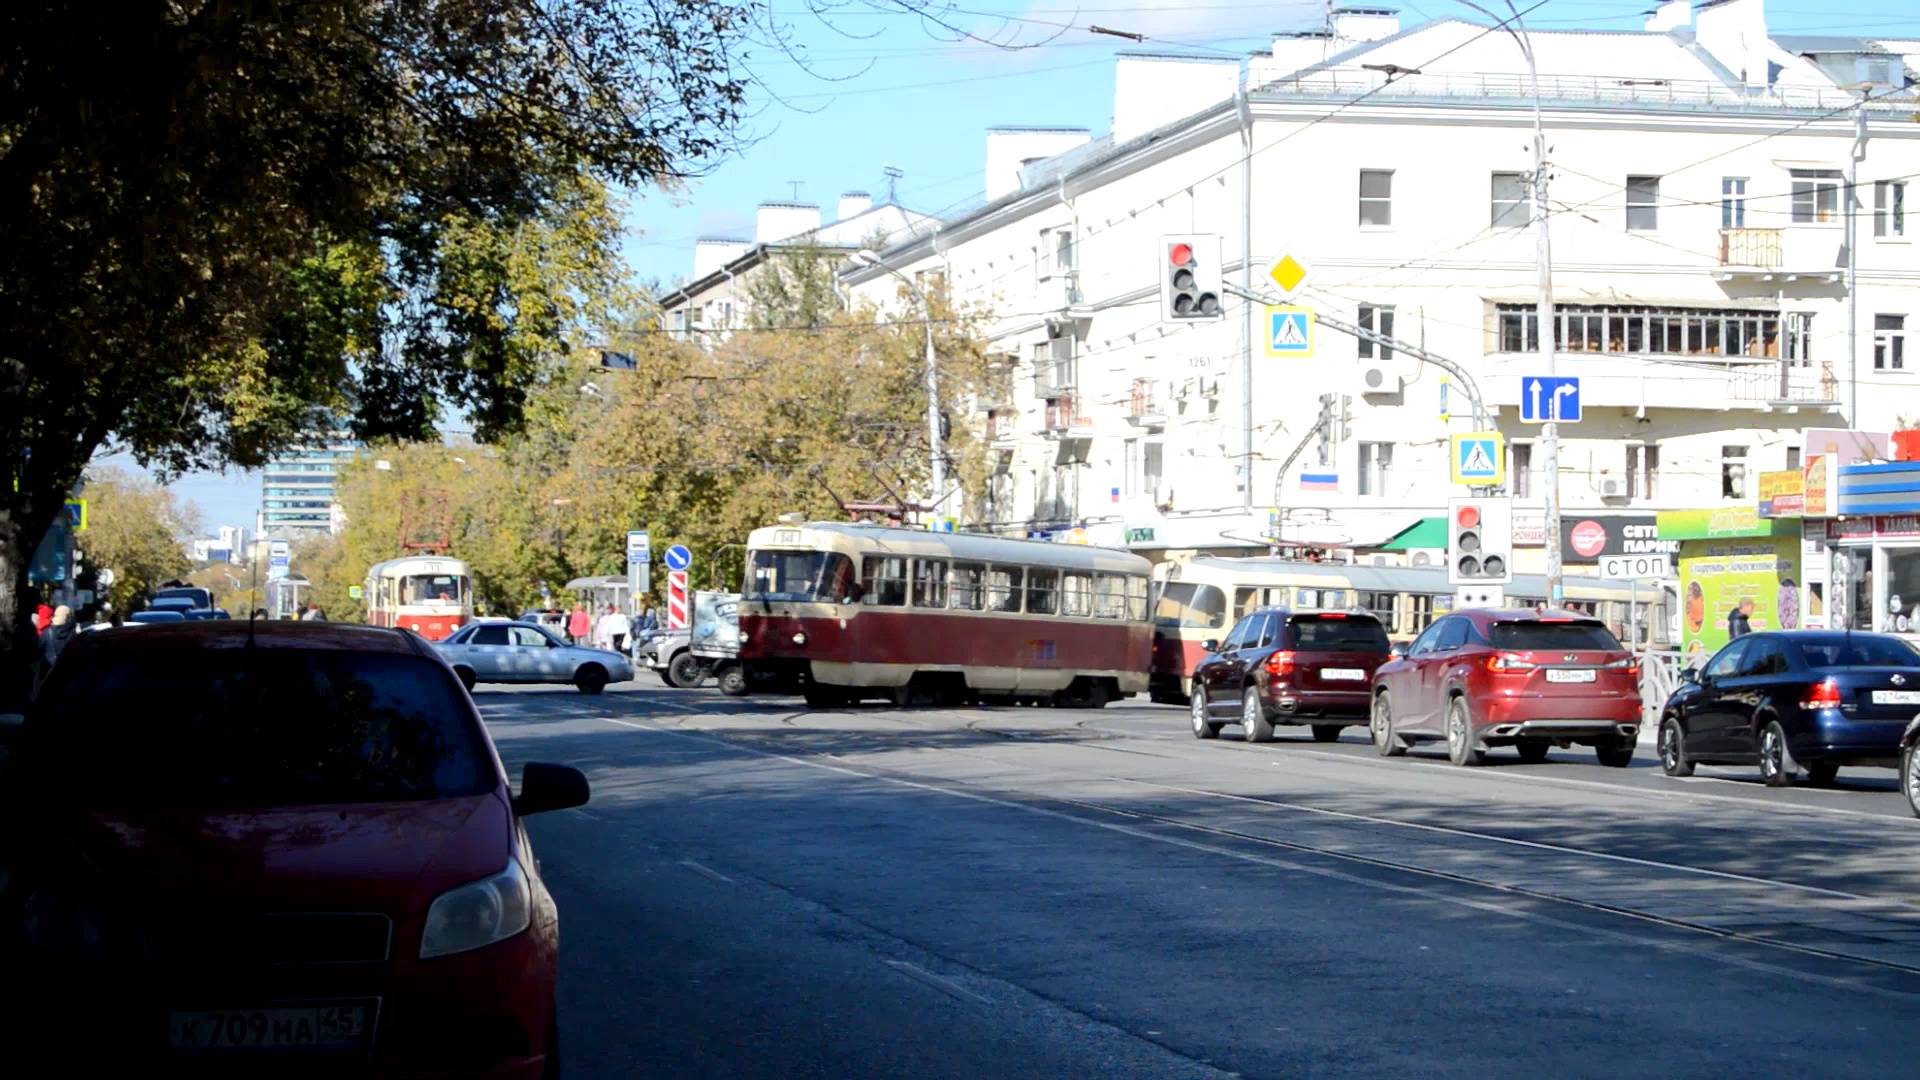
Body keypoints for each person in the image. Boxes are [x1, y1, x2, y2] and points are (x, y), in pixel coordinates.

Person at [40, 605, 76, 673]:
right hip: (69, 672)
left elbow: (39, 651)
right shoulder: (74, 632)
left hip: (49, 671)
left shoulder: (47, 632)